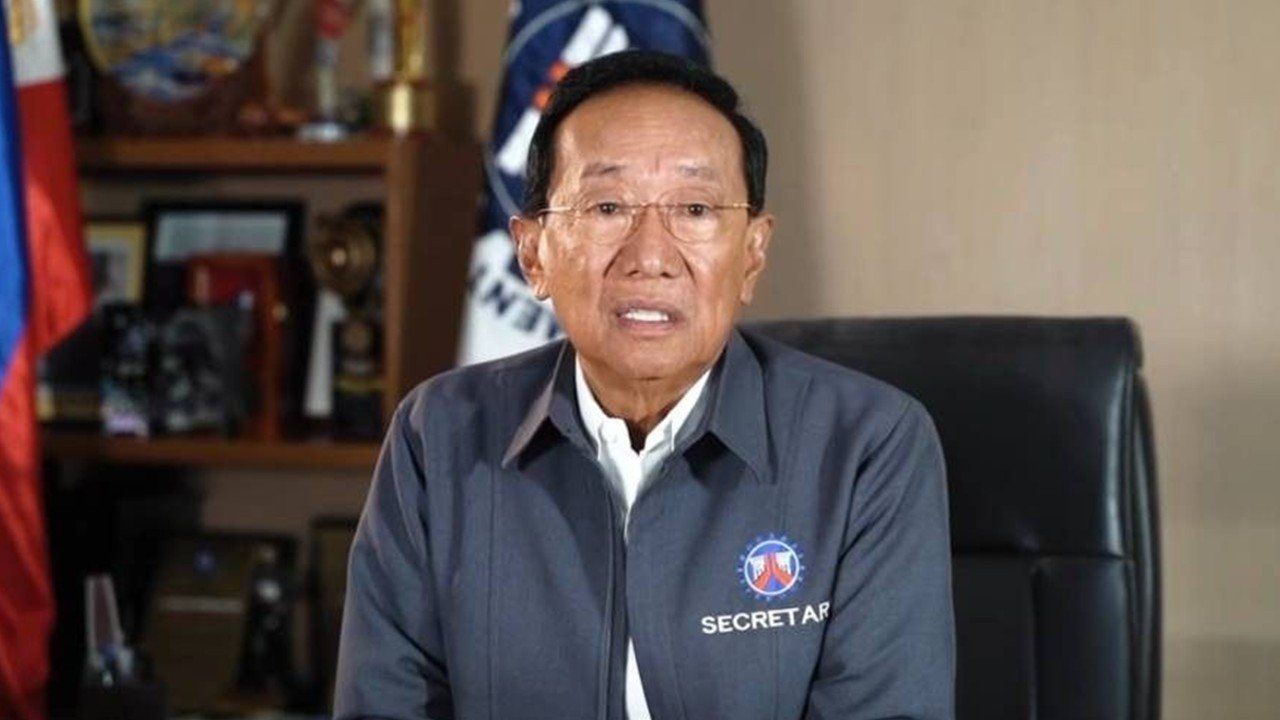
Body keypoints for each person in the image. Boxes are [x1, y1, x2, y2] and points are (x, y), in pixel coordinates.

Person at [334, 50, 954, 720]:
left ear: (752, 254)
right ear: (533, 254)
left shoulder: (867, 445)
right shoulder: (439, 436)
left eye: (695, 208)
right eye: (607, 206)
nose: (651, 256)